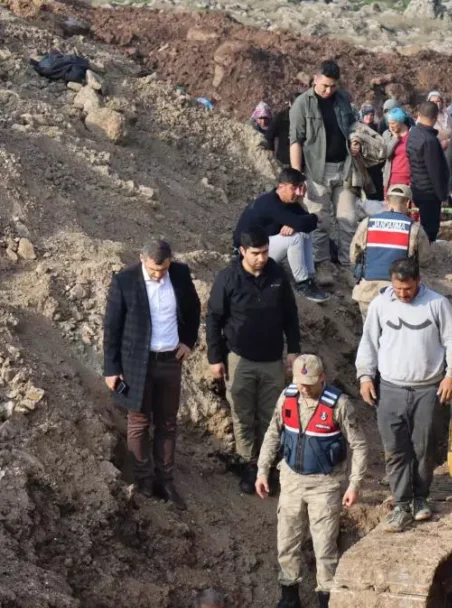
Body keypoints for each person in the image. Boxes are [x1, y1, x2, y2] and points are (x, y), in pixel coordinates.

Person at [256, 354, 367, 608]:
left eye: (309, 383)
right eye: (299, 382)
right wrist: (262, 471)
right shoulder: (288, 397)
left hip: (325, 484)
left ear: (322, 379)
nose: (303, 388)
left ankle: (325, 605)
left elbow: (359, 445)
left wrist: (354, 485)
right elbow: (272, 432)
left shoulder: (339, 405)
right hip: (291, 479)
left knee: (323, 546)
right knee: (287, 541)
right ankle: (289, 598)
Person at [356, 258, 452, 532]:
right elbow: (368, 342)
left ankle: (420, 498)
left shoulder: (436, 304)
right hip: (390, 389)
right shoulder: (380, 305)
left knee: (424, 449)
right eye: (398, 288)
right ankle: (402, 504)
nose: (403, 294)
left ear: (418, 281)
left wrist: (451, 374)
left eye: (408, 288)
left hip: (428, 390)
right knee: (395, 450)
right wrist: (366, 377)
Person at [103, 239, 200, 510]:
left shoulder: (179, 274)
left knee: (168, 423)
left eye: (163, 270)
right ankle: (144, 480)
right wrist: (111, 369)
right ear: (142, 259)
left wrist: (189, 341)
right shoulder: (125, 281)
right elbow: (111, 328)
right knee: (139, 421)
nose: (159, 275)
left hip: (170, 360)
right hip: (137, 364)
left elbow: (193, 309)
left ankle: (165, 481)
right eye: (154, 270)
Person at [207, 228, 302, 495]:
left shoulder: (278, 276)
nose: (261, 258)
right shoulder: (228, 278)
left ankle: (267, 464)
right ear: (242, 251)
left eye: (265, 252)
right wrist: (215, 358)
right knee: (242, 413)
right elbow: (213, 319)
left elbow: (290, 315)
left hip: (272, 358)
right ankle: (249, 464)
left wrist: (293, 350)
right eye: (255, 253)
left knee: (271, 414)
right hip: (240, 357)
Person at [289, 60, 358, 274]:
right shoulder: (302, 104)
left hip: (345, 167)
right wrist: (296, 176)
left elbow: (353, 125)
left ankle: (348, 265)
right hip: (317, 170)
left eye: (333, 86)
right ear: (315, 79)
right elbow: (296, 140)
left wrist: (356, 141)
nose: (328, 91)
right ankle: (322, 264)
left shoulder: (343, 99)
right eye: (325, 86)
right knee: (319, 220)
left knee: (348, 219)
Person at [233, 167, 330, 303]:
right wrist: (310, 218)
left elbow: (308, 224)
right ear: (281, 186)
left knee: (303, 233)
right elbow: (307, 221)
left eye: (300, 187)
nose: (297, 192)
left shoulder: (290, 203)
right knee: (295, 238)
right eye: (294, 187)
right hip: (248, 254)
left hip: (264, 247)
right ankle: (302, 283)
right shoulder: (270, 202)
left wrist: (297, 224)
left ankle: (309, 277)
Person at [350, 184, 433, 315]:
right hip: (398, 292)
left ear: (387, 201)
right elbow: (426, 261)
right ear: (408, 203)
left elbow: (353, 255)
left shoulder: (368, 222)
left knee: (370, 332)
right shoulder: (414, 228)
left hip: (367, 292)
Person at [407, 101, 450, 242]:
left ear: (419, 115)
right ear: (435, 117)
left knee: (423, 226)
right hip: (429, 192)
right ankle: (425, 258)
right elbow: (435, 171)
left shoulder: (413, 134)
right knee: (430, 230)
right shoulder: (430, 140)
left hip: (417, 186)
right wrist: (442, 195)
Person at [357, 104, 385, 201]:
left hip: (378, 165)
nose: (369, 117)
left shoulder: (378, 129)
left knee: (379, 190)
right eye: (366, 114)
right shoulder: (358, 129)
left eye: (371, 114)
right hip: (364, 165)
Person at [383, 107, 411, 192]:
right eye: (389, 123)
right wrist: (395, 138)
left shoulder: (411, 135)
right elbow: (386, 154)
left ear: (401, 122)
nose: (391, 126)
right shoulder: (388, 135)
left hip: (409, 180)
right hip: (392, 179)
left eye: (393, 123)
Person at [265, 95, 296, 167]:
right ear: (290, 104)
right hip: (285, 161)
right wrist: (271, 155)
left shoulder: (307, 117)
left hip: (304, 161)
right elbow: (269, 137)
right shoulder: (281, 117)